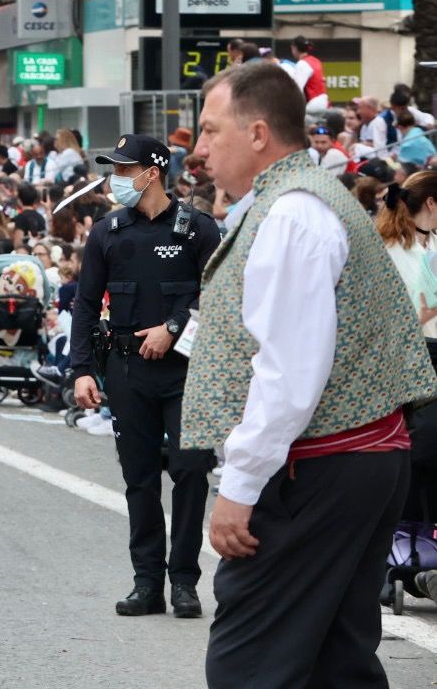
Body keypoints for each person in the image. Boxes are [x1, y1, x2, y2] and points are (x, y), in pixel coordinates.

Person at [186, 61, 437, 688]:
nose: (198, 149)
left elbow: (289, 371)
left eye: (211, 131)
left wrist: (238, 487)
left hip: (319, 466)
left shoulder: (293, 214)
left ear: (258, 133)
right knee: (335, 659)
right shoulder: (301, 201)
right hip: (360, 458)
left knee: (250, 661)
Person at [69, 133, 220, 619]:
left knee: (191, 470)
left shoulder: (198, 229)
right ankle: (147, 582)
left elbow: (217, 296)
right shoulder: (107, 231)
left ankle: (184, 582)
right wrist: (81, 371)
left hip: (186, 373)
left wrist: (173, 328)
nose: (116, 179)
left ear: (151, 172)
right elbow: (86, 305)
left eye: (123, 169)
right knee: (139, 479)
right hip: (127, 367)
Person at [377, 172, 437, 340]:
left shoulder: (433, 241)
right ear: (431, 203)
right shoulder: (388, 251)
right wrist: (420, 320)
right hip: (414, 351)